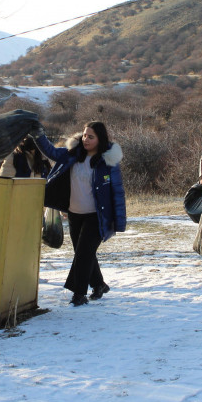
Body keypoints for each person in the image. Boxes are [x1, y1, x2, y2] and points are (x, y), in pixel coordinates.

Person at [32, 121, 126, 306]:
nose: (86, 139)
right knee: (84, 252)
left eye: (91, 137)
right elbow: (50, 152)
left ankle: (78, 294)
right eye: (84, 135)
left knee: (83, 254)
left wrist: (118, 221)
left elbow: (117, 191)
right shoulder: (72, 155)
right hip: (75, 214)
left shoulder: (107, 161)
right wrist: (38, 135)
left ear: (100, 139)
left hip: (96, 217)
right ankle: (99, 285)